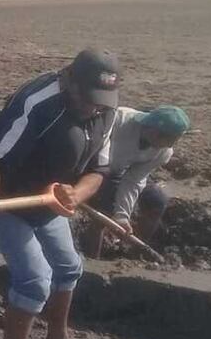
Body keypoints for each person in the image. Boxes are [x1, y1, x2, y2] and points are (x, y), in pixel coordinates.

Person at [0, 48, 120, 339]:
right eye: (89, 97)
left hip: (53, 202)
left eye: (101, 100)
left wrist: (77, 194)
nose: (94, 107)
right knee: (35, 281)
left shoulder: (106, 108)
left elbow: (99, 170)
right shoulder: (37, 103)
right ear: (71, 83)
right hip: (10, 204)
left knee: (69, 267)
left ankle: (57, 338)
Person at [81, 105, 190, 258]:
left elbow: (134, 180)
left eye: (174, 140)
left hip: (117, 171)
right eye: (167, 139)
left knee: (156, 200)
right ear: (153, 130)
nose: (169, 145)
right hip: (88, 166)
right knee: (104, 211)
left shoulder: (164, 151)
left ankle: (133, 255)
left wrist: (122, 216)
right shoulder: (117, 120)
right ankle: (93, 259)